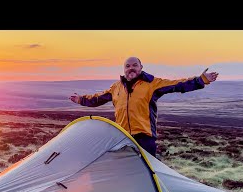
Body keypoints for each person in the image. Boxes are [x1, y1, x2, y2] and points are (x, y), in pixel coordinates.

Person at [69, 56, 218, 157]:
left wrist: (202, 80)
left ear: (141, 67)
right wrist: (80, 100)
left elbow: (177, 85)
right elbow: (97, 99)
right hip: (122, 137)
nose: (131, 68)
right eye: (127, 66)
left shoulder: (152, 84)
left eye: (134, 65)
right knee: (125, 172)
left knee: (148, 173)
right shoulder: (116, 87)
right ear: (124, 69)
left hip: (145, 137)